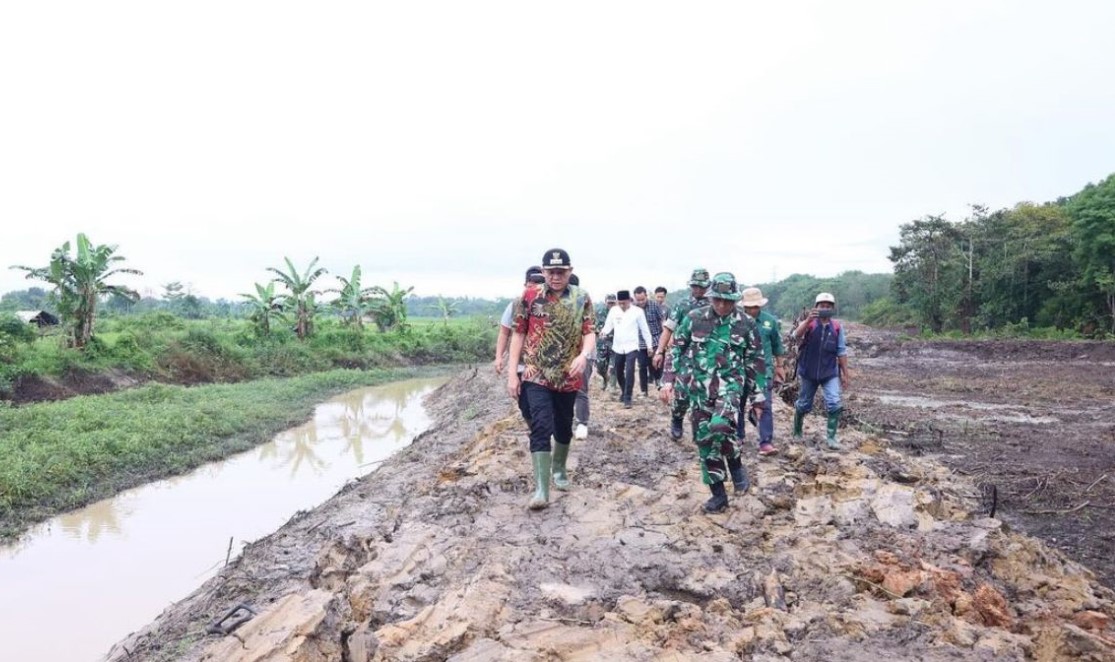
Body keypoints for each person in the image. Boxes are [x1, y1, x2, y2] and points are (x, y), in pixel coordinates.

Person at [660, 273, 766, 513]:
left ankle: (736, 463)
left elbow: (755, 363)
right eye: (717, 299)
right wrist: (668, 381)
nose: (721, 305)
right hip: (699, 390)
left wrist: (757, 399)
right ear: (711, 297)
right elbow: (676, 350)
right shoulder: (694, 319)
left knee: (719, 426)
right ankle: (719, 495)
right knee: (704, 440)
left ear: (735, 300)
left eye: (727, 301)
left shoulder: (746, 324)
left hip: (730, 388)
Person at [507, 248, 596, 509]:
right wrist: (513, 373)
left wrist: (584, 355)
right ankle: (541, 490)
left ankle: (559, 470)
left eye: (561, 272)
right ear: (543, 272)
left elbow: (590, 331)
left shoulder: (582, 298)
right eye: (551, 272)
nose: (556, 277)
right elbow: (518, 335)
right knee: (541, 426)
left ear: (570, 272)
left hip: (568, 375)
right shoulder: (529, 296)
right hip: (536, 374)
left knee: (563, 425)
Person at [652, 268, 711, 440]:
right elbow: (668, 329)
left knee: (704, 397)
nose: (698, 290)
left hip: (709, 357)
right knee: (682, 394)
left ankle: (700, 430)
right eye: (695, 286)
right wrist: (660, 351)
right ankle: (677, 418)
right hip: (684, 355)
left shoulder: (715, 304)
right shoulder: (682, 305)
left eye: (702, 286)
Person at [791, 292, 849, 450]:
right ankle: (796, 430)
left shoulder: (837, 327)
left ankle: (831, 437)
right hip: (808, 372)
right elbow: (795, 335)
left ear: (833, 309)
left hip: (829, 373)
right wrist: (809, 319)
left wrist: (845, 374)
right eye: (822, 306)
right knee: (803, 405)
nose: (825, 309)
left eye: (828, 306)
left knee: (834, 403)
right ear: (816, 307)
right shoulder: (809, 324)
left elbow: (841, 351)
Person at [738, 287, 785, 456]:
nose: (752, 310)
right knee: (738, 403)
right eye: (749, 307)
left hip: (763, 371)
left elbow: (777, 346)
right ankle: (738, 435)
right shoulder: (736, 321)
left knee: (765, 405)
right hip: (740, 370)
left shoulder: (770, 322)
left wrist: (780, 366)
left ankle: (766, 442)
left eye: (755, 306)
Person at [495, 266, 545, 423]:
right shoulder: (516, 305)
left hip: (545, 366)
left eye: (540, 284)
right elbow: (504, 332)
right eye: (532, 285)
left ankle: (541, 436)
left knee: (542, 407)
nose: (535, 289)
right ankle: (536, 432)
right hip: (521, 365)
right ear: (526, 285)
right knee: (525, 406)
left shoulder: (553, 304)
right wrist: (499, 357)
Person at [598, 289, 653, 408]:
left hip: (632, 346)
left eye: (625, 303)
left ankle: (628, 397)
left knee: (630, 370)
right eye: (620, 303)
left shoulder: (637, 312)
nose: (622, 305)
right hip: (617, 346)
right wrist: (603, 333)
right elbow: (608, 326)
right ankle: (624, 390)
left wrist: (649, 346)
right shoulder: (613, 311)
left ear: (629, 301)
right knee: (618, 371)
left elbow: (645, 330)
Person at [569, 273, 592, 440]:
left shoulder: (583, 303)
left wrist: (584, 355)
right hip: (560, 356)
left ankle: (582, 422)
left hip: (583, 354)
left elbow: (590, 332)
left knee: (580, 389)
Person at [634, 286, 664, 392]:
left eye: (643, 299)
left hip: (655, 338)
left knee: (656, 363)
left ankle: (658, 381)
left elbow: (662, 321)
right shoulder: (633, 308)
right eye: (638, 300)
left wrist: (666, 337)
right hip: (640, 341)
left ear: (646, 296)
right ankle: (644, 390)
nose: (641, 302)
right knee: (642, 365)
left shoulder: (655, 305)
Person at [595, 293, 617, 390]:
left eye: (613, 303)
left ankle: (612, 386)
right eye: (609, 303)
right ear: (605, 302)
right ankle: (605, 378)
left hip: (615, 343)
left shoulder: (620, 313)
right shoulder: (599, 312)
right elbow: (594, 328)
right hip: (602, 344)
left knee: (614, 366)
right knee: (600, 367)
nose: (611, 305)